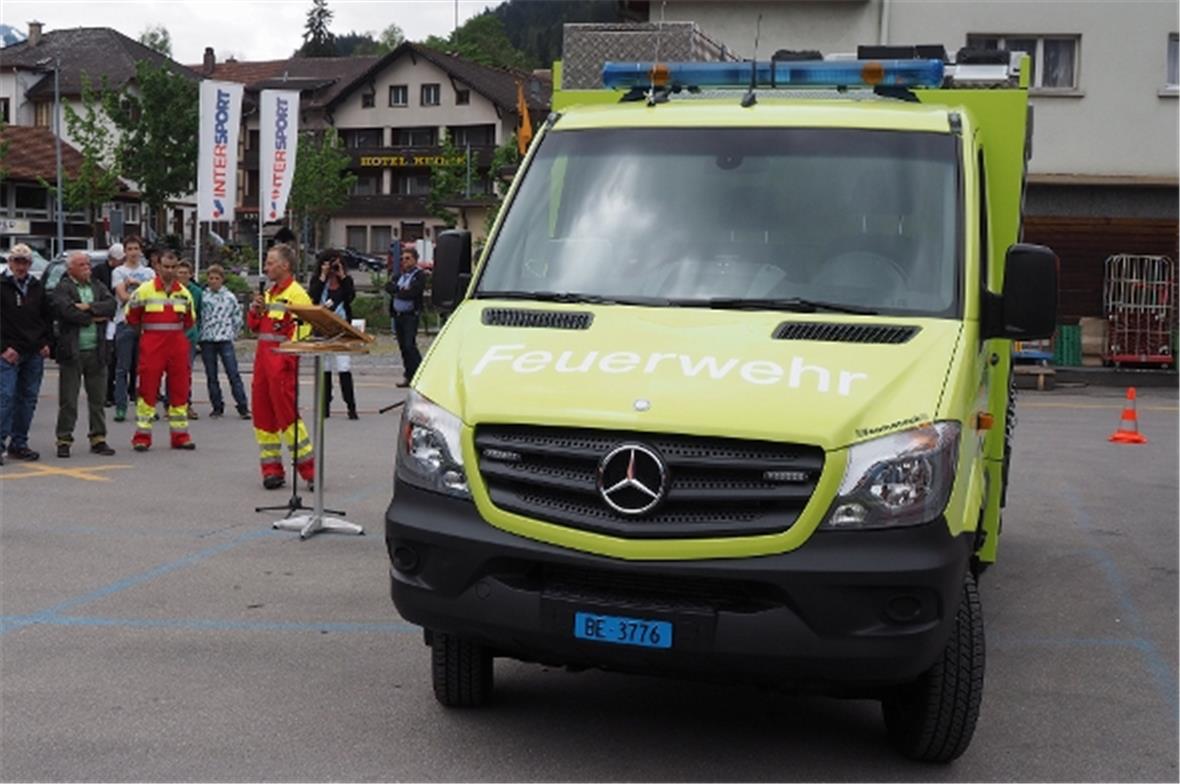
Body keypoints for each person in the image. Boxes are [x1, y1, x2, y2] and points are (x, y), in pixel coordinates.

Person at [248, 243, 315, 490]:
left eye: (270, 262)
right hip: (262, 363)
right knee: (263, 417)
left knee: (287, 417)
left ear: (285, 266)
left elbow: (304, 329)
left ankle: (309, 470)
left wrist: (286, 360)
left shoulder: (297, 295)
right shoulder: (269, 293)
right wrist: (255, 311)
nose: (266, 267)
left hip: (280, 364)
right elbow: (256, 328)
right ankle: (271, 470)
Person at [124, 250, 196, 451]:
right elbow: (131, 317)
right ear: (158, 267)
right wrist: (147, 337)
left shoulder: (184, 292)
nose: (170, 271)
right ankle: (142, 436)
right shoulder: (144, 290)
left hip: (177, 346)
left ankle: (180, 435)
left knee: (180, 389)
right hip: (152, 345)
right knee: (147, 388)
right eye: (166, 266)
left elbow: (190, 321)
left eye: (173, 267)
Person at [52, 251, 118, 458]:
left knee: (97, 399)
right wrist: (94, 318)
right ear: (70, 268)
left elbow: (111, 306)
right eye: (81, 265)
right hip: (72, 352)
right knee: (69, 400)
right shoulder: (63, 287)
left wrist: (88, 306)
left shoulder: (97, 286)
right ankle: (64, 439)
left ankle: (98, 438)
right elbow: (66, 311)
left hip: (97, 351)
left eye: (88, 264)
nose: (87, 268)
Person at [0, 244, 53, 464]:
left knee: (28, 399)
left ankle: (19, 443)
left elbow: (46, 317)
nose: (21, 266)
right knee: (6, 398)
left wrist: (47, 343)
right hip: (9, 352)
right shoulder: (1, 286)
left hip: (34, 351)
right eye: (17, 261)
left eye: (25, 262)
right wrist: (3, 348)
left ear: (30, 264)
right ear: (10, 262)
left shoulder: (36, 286)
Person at [308, 248, 358, 419]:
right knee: (326, 369)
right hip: (323, 329)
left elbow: (351, 296)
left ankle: (351, 406)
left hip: (342, 329)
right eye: (331, 263)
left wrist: (342, 275)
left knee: (344, 367)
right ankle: (325, 406)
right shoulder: (317, 280)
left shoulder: (345, 281)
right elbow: (312, 297)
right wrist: (323, 276)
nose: (333, 268)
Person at [111, 236, 154, 422]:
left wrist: (133, 286)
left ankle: (145, 405)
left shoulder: (149, 272)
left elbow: (152, 297)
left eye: (136, 248)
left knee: (144, 369)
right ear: (125, 252)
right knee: (123, 368)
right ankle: (120, 406)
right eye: (130, 249)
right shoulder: (118, 272)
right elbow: (122, 296)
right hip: (125, 322)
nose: (134, 252)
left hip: (146, 324)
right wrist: (140, 291)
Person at [199, 264, 250, 419]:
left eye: (217, 278)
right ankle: (217, 406)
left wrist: (232, 332)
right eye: (211, 278)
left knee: (233, 372)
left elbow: (236, 317)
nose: (213, 281)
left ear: (222, 280)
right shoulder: (203, 296)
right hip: (207, 338)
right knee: (211, 374)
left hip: (225, 338)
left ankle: (242, 406)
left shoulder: (229, 297)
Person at [385, 246, 425, 387]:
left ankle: (421, 373)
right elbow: (389, 287)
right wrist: (399, 290)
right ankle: (409, 375)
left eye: (408, 258)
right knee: (403, 347)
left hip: (410, 315)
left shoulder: (419, 275)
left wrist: (398, 291)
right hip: (398, 315)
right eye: (403, 259)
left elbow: (412, 293)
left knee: (410, 345)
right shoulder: (399, 275)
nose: (405, 261)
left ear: (415, 259)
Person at [94, 242, 124, 407]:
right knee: (107, 358)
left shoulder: (122, 271)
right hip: (106, 319)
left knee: (119, 358)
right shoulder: (99, 272)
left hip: (119, 317)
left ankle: (121, 392)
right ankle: (106, 393)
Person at [176, 259, 203, 420]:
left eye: (186, 273)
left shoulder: (197, 292)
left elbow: (198, 313)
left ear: (191, 275)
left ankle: (187, 403)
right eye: (180, 272)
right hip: (173, 337)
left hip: (189, 337)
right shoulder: (171, 290)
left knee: (186, 372)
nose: (183, 276)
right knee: (172, 372)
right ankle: (170, 403)